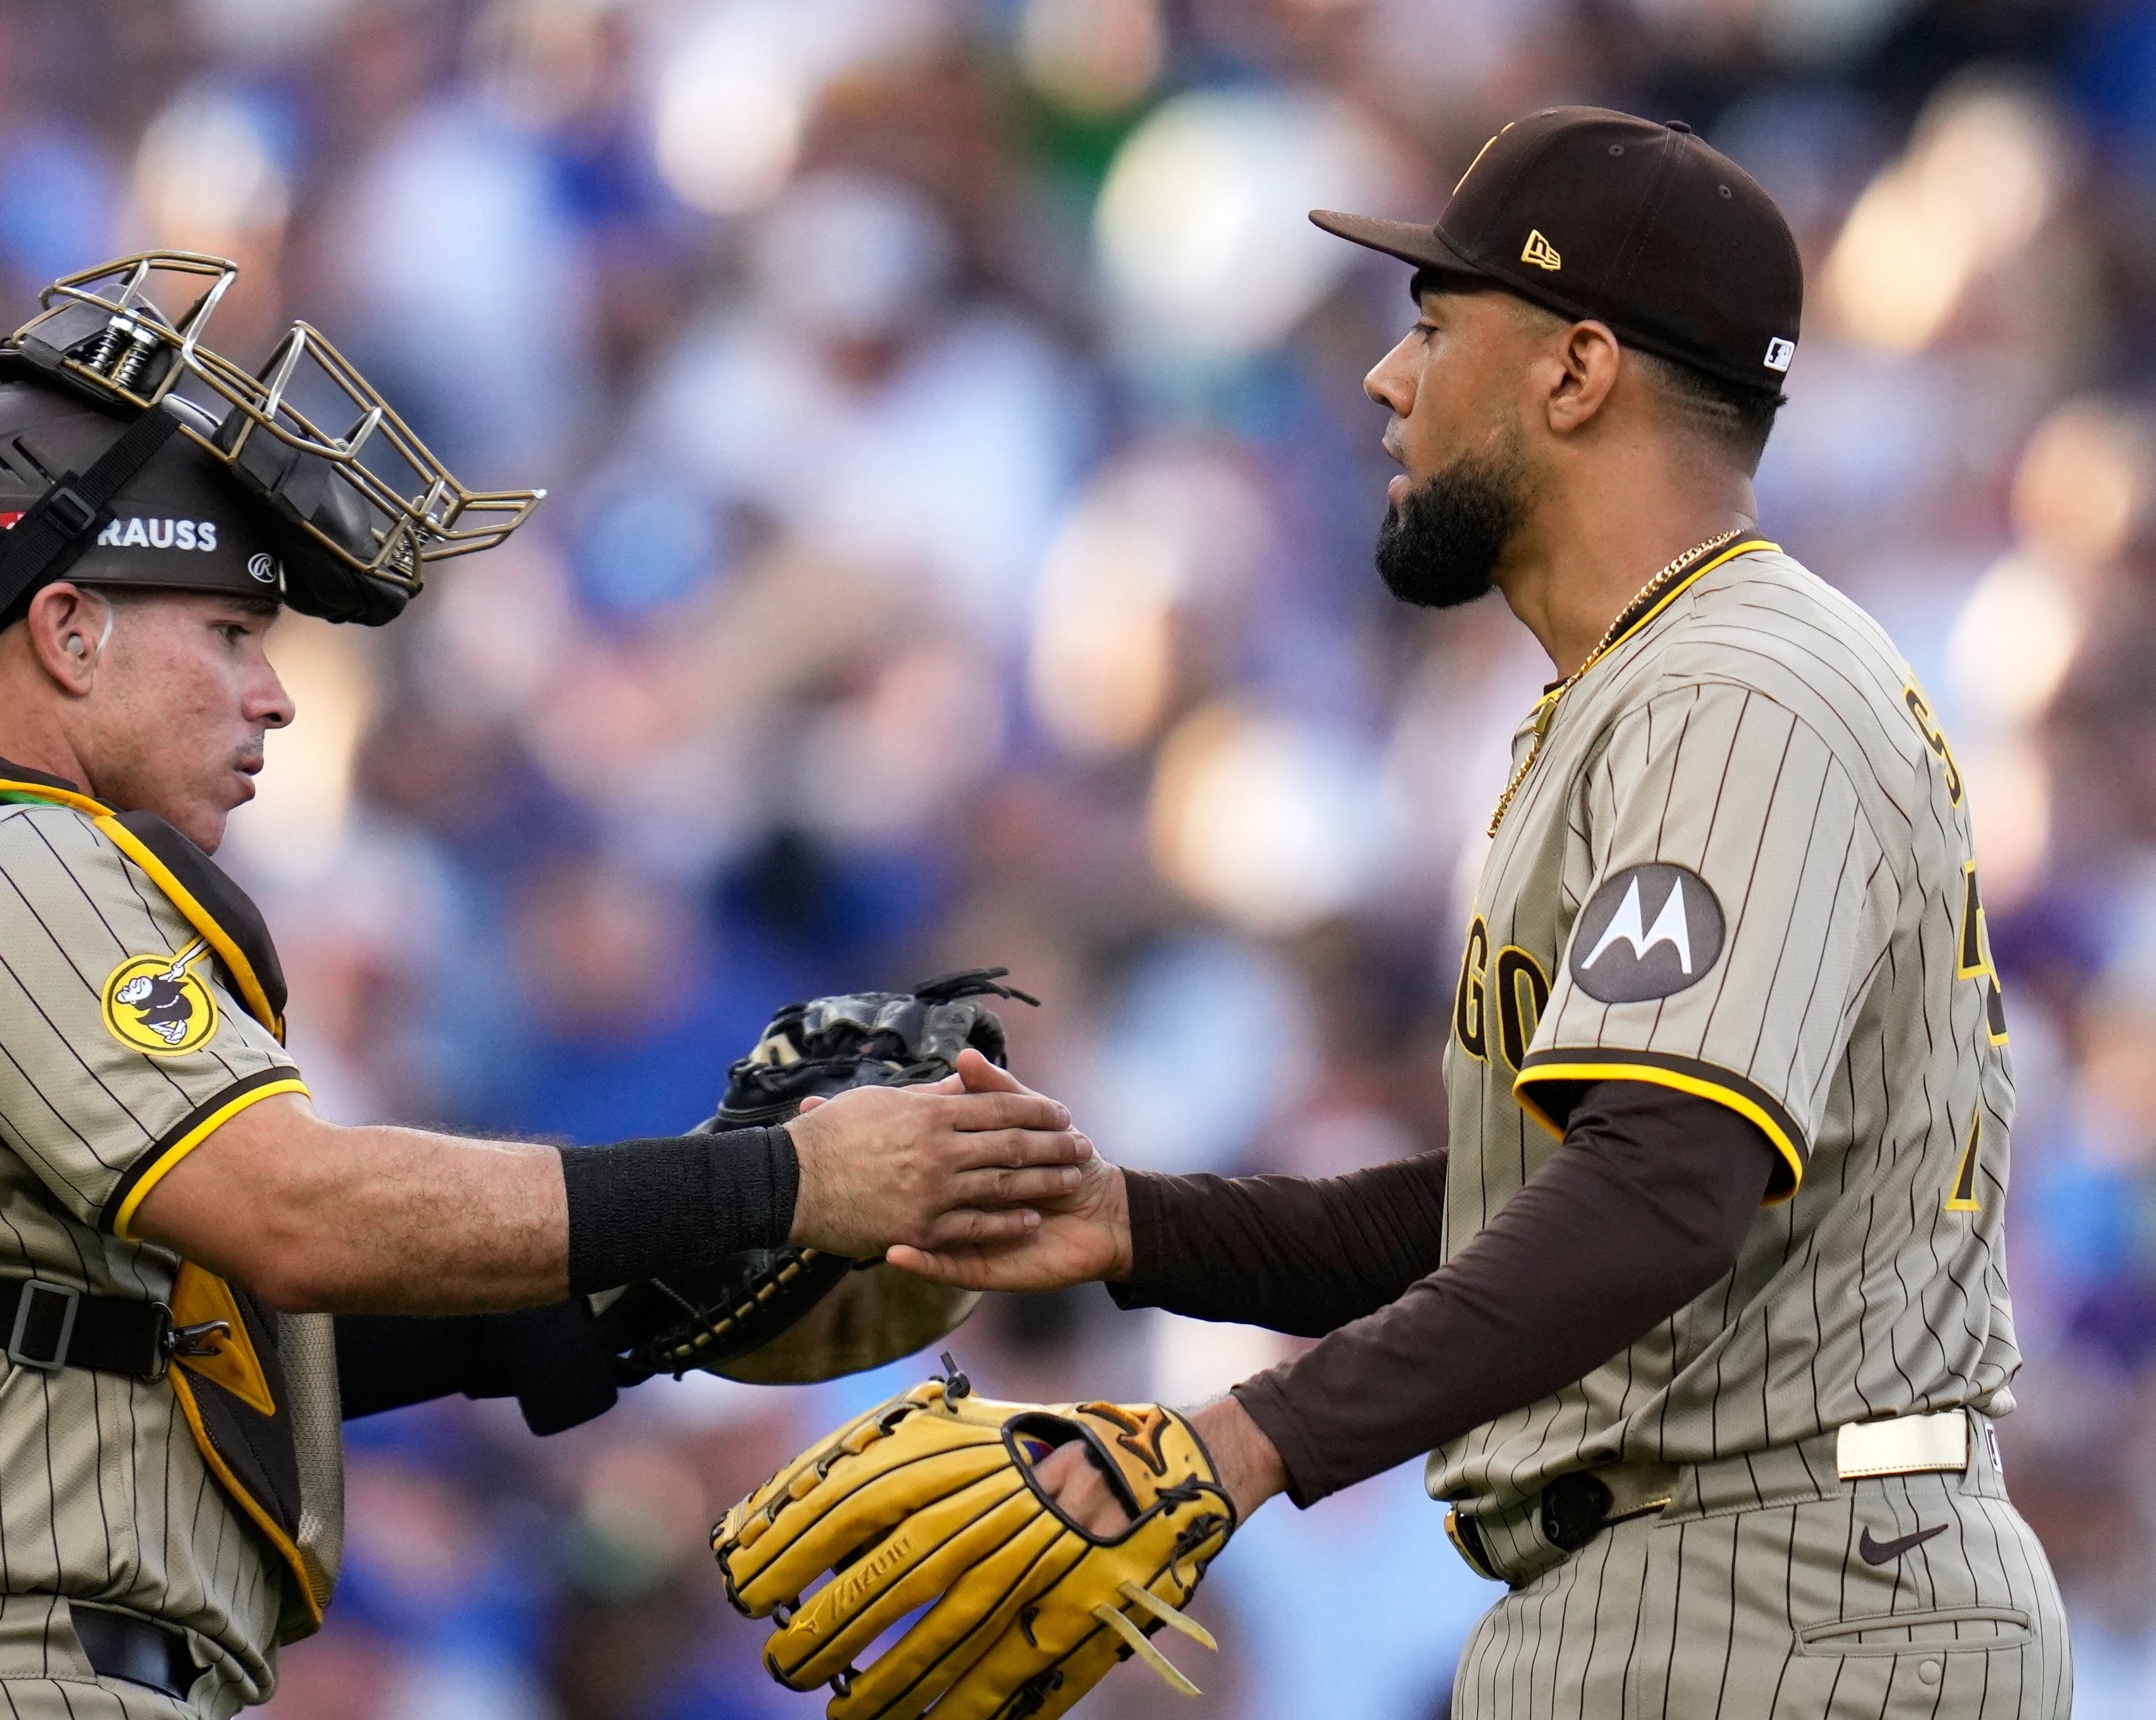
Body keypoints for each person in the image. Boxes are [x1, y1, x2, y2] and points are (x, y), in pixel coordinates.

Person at [0, 254, 1088, 1719]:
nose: (270, 692)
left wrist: (603, 1293)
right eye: (226, 634)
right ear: (67, 630)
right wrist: (777, 1188)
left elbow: (105, 1349)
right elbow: (295, 1216)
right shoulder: (10, 861)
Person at [886, 109, 2072, 1716]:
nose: (1386, 380)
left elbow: (1658, 1196)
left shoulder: (1737, 693)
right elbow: (1539, 1197)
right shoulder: (1660, 683)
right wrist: (1141, 1227)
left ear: (1576, 374)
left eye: (1435, 330)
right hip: (1712, 1588)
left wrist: (1245, 1441)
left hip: (1787, 1603)